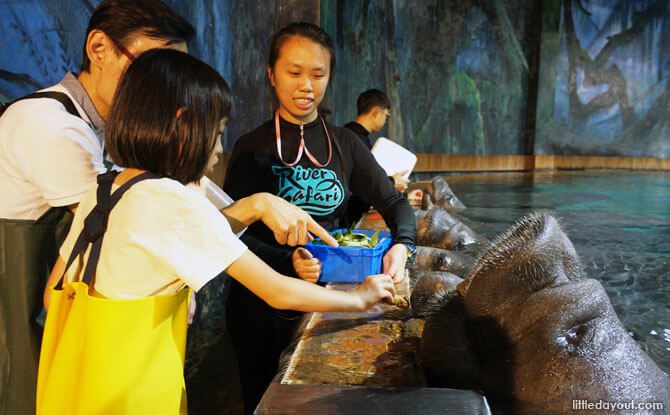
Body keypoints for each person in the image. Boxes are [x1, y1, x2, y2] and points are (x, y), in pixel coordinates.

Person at [0, 2, 334, 413]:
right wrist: (253, 208)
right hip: (46, 330)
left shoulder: (124, 140)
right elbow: (159, 226)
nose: (167, 84)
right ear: (99, 47)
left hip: (95, 339)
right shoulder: (52, 127)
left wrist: (253, 206)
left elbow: (179, 223)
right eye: (152, 65)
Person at [38, 48, 395, 415]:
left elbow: (54, 294)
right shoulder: (173, 199)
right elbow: (277, 291)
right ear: (184, 124)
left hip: (76, 388)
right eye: (218, 132)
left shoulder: (105, 188)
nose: (220, 148)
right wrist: (361, 299)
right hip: (133, 394)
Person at [223, 22, 417, 414]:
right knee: (262, 402)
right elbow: (228, 233)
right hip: (258, 303)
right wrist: (286, 259)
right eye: (294, 73)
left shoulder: (344, 144)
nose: (306, 85)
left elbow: (395, 203)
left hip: (328, 300)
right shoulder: (249, 148)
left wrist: (403, 245)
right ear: (271, 74)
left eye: (318, 74)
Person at [343, 89, 410, 223]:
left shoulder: (353, 136)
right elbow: (359, 183)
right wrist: (391, 183)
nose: (386, 120)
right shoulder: (353, 139)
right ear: (376, 113)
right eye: (387, 115)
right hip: (346, 217)